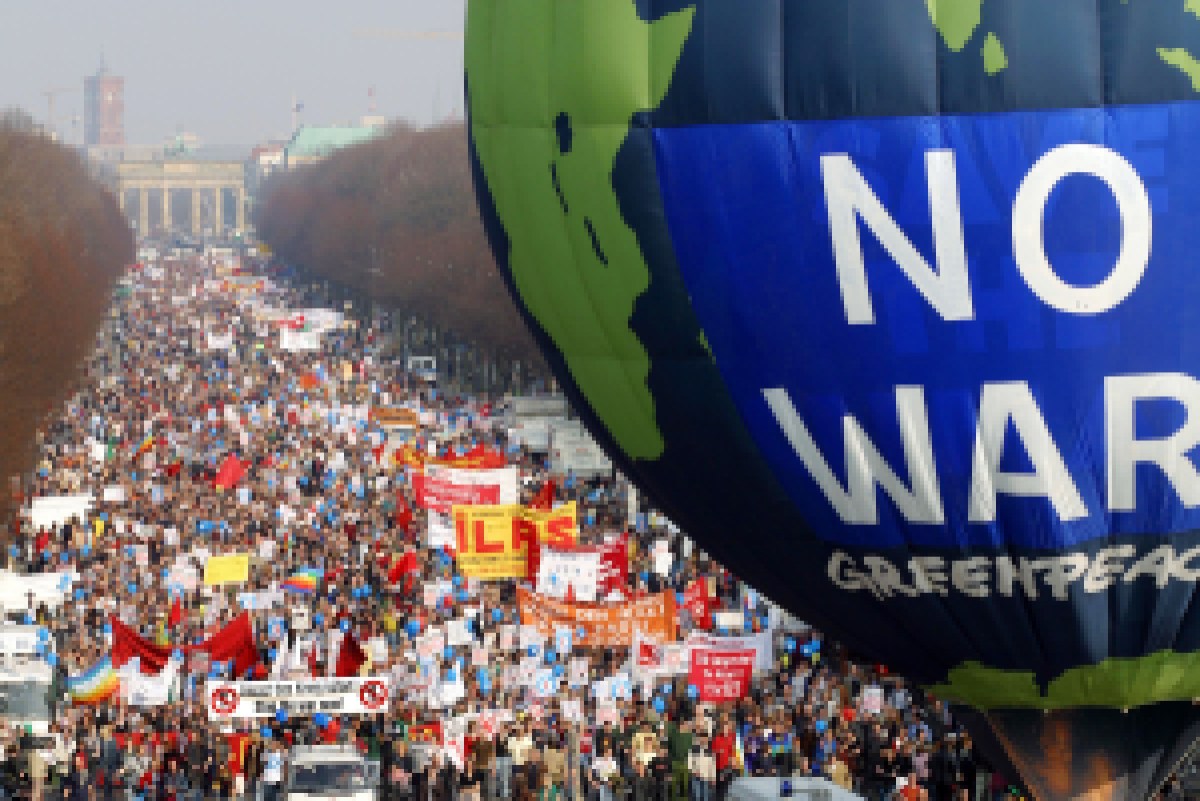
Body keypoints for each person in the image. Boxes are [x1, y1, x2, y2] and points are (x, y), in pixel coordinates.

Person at [688, 736, 716, 801]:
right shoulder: (694, 750)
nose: (704, 740)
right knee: (696, 797)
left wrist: (713, 778)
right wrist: (695, 772)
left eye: (705, 738)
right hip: (696, 778)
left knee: (707, 797)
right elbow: (690, 764)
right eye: (702, 738)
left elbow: (712, 766)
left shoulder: (710, 752)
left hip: (707, 780)